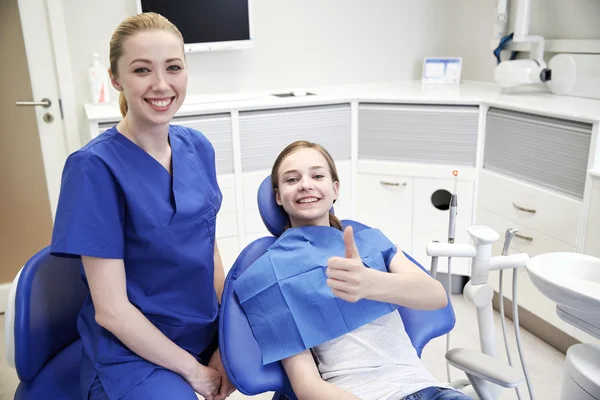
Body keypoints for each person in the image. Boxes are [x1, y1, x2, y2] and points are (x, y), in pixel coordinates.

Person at [50, 12, 235, 400]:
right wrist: (195, 372)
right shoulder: (94, 169)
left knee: (290, 356)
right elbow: (112, 311)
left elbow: (209, 249)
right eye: (141, 70)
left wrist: (227, 338)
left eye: (173, 67)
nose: (161, 84)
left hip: (202, 329)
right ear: (115, 78)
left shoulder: (198, 147)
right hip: (132, 352)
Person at [266, 140, 473, 400]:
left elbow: (436, 296)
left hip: (428, 390)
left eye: (317, 175)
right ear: (277, 196)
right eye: (292, 179)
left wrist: (371, 283)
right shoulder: (271, 274)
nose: (306, 184)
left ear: (335, 189)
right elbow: (306, 385)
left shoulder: (371, 243)